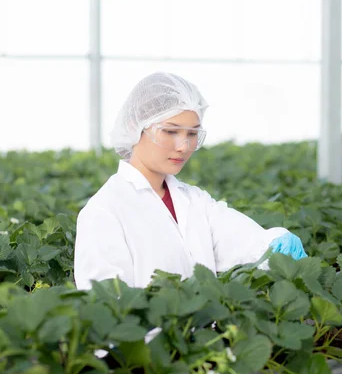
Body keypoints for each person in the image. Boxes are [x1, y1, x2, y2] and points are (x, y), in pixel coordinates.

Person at [74, 72, 307, 290]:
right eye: (170, 131)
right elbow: (105, 305)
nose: (184, 146)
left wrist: (276, 244)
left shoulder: (194, 201)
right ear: (135, 127)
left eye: (192, 134)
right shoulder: (104, 212)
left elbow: (244, 241)